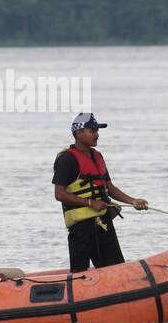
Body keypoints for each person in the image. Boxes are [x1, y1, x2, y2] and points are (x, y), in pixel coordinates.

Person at [52, 112, 148, 272]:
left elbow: (109, 187)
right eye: (93, 131)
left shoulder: (97, 156)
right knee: (79, 272)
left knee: (116, 268)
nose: (97, 135)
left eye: (97, 131)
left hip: (103, 222)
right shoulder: (67, 159)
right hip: (81, 228)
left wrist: (133, 201)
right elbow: (59, 194)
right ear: (79, 133)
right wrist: (90, 203)